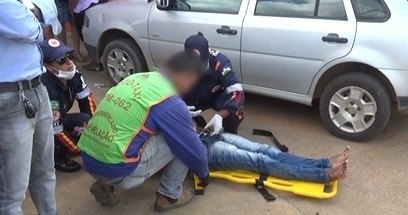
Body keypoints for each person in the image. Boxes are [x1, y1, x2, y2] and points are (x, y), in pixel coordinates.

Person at [78, 51, 210, 212]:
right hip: (117, 170)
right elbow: (193, 150)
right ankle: (168, 197)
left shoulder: (136, 78)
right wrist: (204, 174)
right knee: (183, 141)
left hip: (88, 158)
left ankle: (104, 184)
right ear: (185, 75)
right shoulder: (169, 99)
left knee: (134, 130)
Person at [0, 1, 57, 214]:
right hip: (9, 96)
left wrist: (34, 11)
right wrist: (35, 11)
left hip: (36, 86)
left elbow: (52, 18)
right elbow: (29, 29)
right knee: (12, 194)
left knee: (44, 171)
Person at [197, 126, 350, 183]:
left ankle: (325, 163)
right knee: (261, 160)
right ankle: (324, 175)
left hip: (208, 136)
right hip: (203, 151)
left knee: (266, 150)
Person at [40, 38, 96, 172]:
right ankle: (57, 159)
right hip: (40, 128)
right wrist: (79, 149)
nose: (70, 63)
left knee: (85, 120)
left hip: (58, 120)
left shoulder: (74, 74)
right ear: (48, 66)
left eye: (70, 55)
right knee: (55, 136)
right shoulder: (47, 87)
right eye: (61, 60)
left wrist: (94, 133)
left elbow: (87, 102)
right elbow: (56, 130)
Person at [183, 32, 245, 135]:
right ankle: (198, 128)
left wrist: (219, 116)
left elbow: (238, 92)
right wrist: (180, 109)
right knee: (173, 113)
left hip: (216, 95)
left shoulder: (220, 62)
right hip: (194, 97)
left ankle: (230, 135)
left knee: (237, 111)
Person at [71, 0, 108, 70]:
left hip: (84, 7)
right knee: (94, 31)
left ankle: (96, 62)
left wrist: (70, 8)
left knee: (87, 35)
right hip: (93, 3)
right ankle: (97, 60)